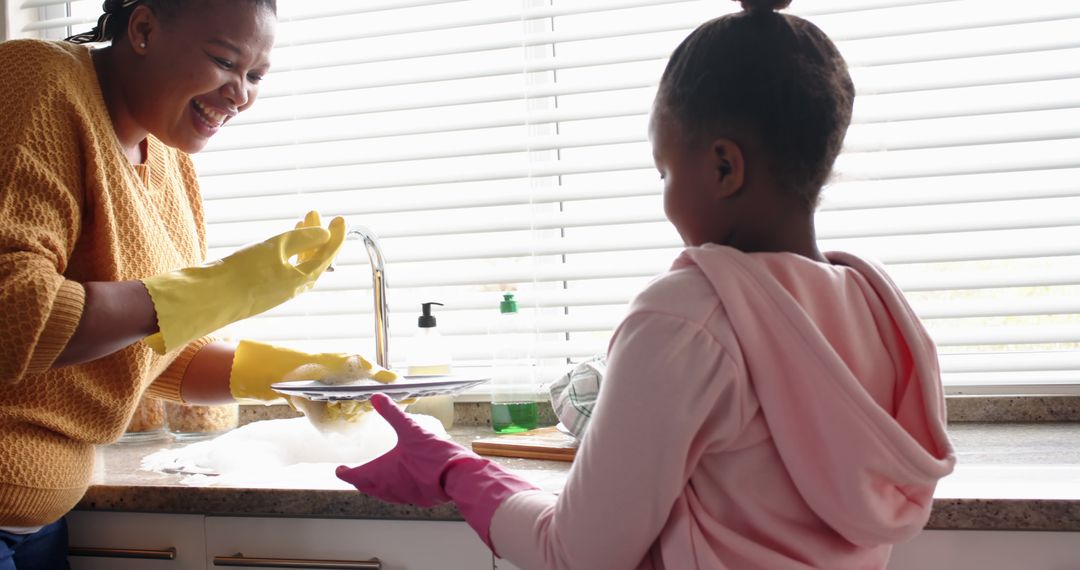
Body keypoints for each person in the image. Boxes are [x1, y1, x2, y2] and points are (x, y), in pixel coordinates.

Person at [335, 0, 957, 568]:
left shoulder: (691, 313)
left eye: (664, 170)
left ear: (722, 166)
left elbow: (576, 554)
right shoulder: (879, 311)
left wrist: (452, 469)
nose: (664, 198)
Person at [0, 1, 391, 567]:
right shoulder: (36, 81)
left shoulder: (171, 160)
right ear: (143, 29)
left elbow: (152, 346)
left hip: (41, 523)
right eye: (224, 61)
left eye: (256, 75)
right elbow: (16, 314)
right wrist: (222, 288)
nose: (241, 93)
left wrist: (298, 377)